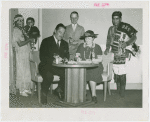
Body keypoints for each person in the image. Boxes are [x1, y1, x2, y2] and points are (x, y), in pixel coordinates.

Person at [104, 11, 139, 98]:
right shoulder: (110, 29)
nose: (115, 20)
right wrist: (107, 48)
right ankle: (118, 89)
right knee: (116, 72)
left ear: (120, 19)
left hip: (124, 53)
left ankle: (122, 91)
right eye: (113, 19)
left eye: (117, 19)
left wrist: (126, 44)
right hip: (114, 53)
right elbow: (108, 40)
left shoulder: (125, 27)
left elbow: (134, 37)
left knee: (122, 73)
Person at [39, 23, 69, 104]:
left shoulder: (65, 44)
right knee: (49, 76)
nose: (61, 35)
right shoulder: (46, 41)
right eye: (60, 32)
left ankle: (59, 89)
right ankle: (44, 93)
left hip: (57, 67)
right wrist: (53, 60)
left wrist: (65, 59)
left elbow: (67, 56)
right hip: (45, 65)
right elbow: (42, 57)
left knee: (68, 73)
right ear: (55, 31)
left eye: (63, 33)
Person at [76, 30, 104, 103]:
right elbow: (77, 56)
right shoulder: (81, 46)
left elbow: (100, 59)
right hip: (83, 66)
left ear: (93, 38)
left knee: (92, 72)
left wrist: (94, 61)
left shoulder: (97, 47)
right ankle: (83, 94)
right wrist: (77, 58)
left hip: (95, 67)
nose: (87, 40)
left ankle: (94, 95)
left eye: (89, 38)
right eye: (86, 38)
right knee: (81, 71)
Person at [12, 14, 34, 97]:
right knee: (21, 71)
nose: (21, 22)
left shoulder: (22, 30)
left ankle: (26, 88)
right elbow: (20, 44)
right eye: (19, 20)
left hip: (25, 53)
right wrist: (29, 40)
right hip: (20, 53)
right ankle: (21, 90)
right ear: (15, 22)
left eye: (22, 20)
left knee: (26, 70)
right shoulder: (15, 30)